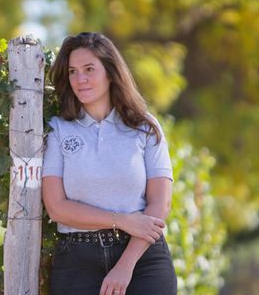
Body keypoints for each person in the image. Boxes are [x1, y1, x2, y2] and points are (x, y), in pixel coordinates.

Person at [42, 32, 177, 295]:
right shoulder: (59, 130)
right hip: (76, 262)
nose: (79, 79)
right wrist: (122, 220)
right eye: (73, 71)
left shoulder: (145, 128)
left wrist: (125, 266)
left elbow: (160, 204)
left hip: (142, 259)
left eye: (89, 69)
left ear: (110, 72)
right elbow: (57, 208)